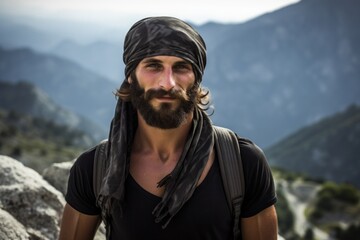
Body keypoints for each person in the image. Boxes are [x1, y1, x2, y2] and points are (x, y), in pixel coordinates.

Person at [59, 16, 278, 240]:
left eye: (181, 67)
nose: (167, 83)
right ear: (131, 76)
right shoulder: (95, 168)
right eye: (153, 66)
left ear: (196, 80)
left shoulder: (242, 163)